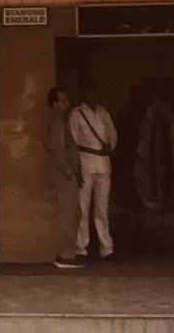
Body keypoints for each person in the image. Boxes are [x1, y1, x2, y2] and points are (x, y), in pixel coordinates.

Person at [68, 83, 118, 263]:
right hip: (85, 162)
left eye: (94, 90)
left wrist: (110, 146)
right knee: (82, 208)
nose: (92, 94)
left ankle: (107, 248)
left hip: (103, 163)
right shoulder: (76, 114)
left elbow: (112, 135)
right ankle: (81, 247)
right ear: (83, 94)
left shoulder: (103, 113)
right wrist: (76, 167)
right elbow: (72, 141)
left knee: (102, 208)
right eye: (89, 91)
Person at [44, 86, 84, 269]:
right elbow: (59, 149)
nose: (66, 104)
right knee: (67, 215)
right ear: (54, 103)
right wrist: (68, 171)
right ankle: (64, 255)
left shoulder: (61, 121)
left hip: (68, 174)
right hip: (64, 175)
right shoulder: (56, 123)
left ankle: (69, 252)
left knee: (74, 213)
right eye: (62, 101)